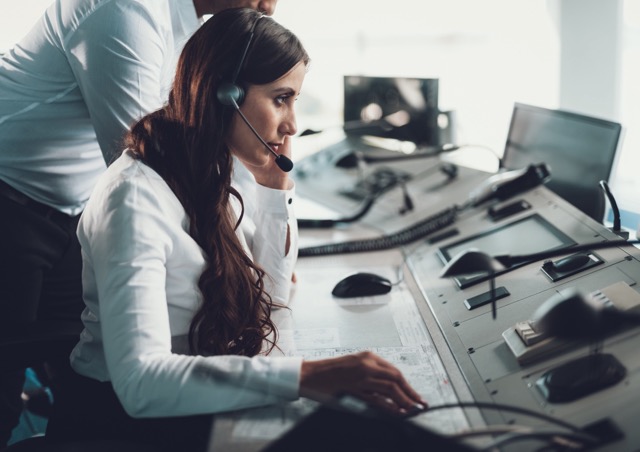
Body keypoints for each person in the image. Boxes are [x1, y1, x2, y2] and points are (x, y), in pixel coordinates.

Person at [44, 8, 427, 451]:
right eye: (280, 99)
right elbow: (141, 382)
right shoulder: (133, 197)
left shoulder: (207, 172)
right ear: (224, 95)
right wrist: (308, 376)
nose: (292, 125)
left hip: (193, 397)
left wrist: (272, 190)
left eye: (295, 101)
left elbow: (270, 304)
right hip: (119, 426)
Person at [0, 0, 277, 446]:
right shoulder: (123, 9)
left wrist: (260, 229)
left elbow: (205, 142)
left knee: (89, 361)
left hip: (65, 208)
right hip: (10, 200)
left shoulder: (188, 26)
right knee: (5, 396)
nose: (271, 6)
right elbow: (154, 162)